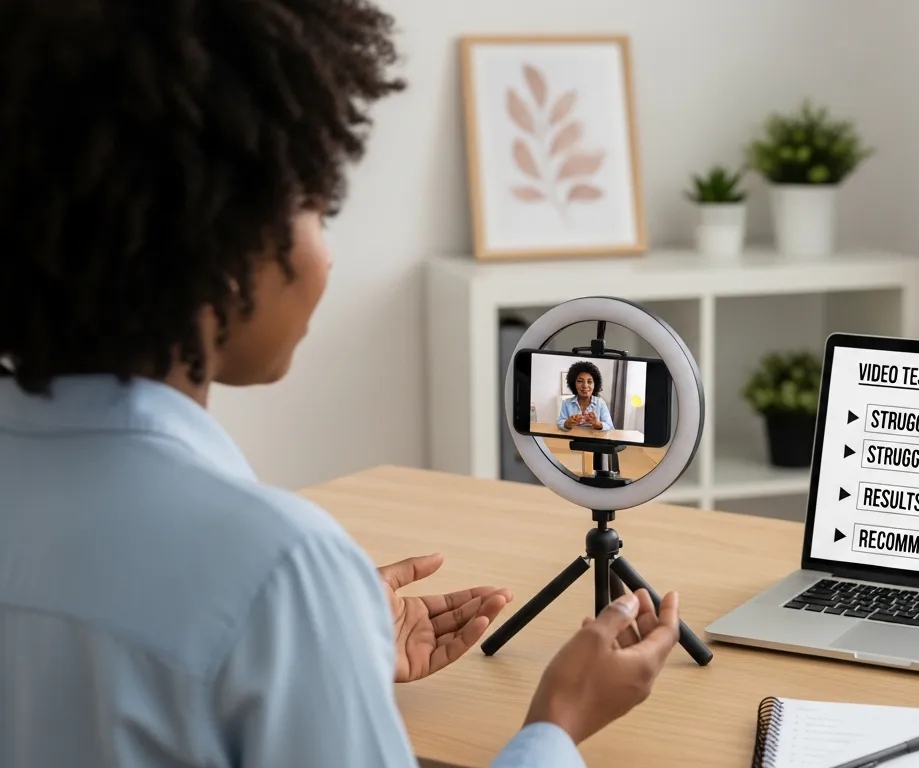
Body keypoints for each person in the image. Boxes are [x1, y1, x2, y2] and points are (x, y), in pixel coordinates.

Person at [0, 2, 680, 767]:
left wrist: (323, 653)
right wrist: (558, 722)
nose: (327, 257)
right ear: (225, 244)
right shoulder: (274, 570)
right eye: (317, 209)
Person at [557, 360, 615, 431]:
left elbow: (610, 427)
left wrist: (598, 424)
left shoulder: (600, 403)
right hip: (573, 439)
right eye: (580, 381)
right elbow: (560, 423)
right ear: (573, 383)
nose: (585, 385)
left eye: (589, 382)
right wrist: (566, 424)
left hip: (594, 439)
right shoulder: (566, 403)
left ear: (595, 385)